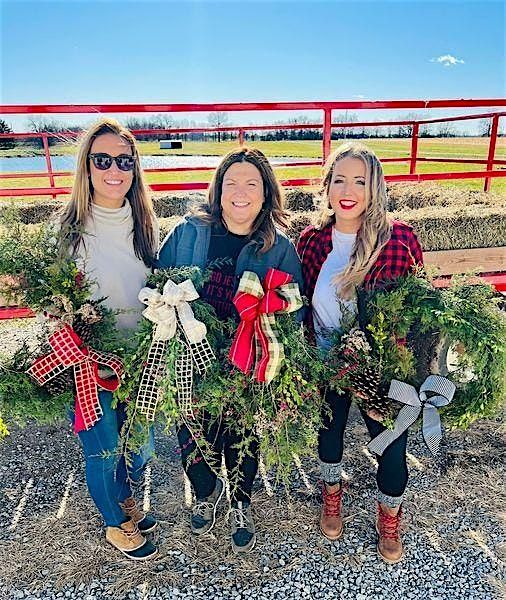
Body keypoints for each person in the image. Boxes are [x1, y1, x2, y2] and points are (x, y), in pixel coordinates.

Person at [157, 147, 303, 554]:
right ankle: (204, 492)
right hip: (190, 358)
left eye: (251, 183)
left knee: (242, 435)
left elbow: (292, 305)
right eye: (231, 182)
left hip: (247, 363)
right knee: (193, 435)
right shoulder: (190, 232)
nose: (241, 192)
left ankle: (240, 501)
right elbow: (158, 281)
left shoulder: (279, 247)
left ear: (265, 193)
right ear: (218, 190)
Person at [297, 142, 423, 564]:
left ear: (375, 187)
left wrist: (405, 365)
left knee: (388, 441)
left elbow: (416, 308)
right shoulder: (312, 240)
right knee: (328, 434)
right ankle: (332, 492)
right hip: (326, 357)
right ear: (327, 186)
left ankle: (389, 515)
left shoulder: (398, 237)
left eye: (359, 181)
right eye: (339, 179)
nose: (347, 189)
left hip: (380, 363)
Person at [59, 118, 159, 560]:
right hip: (91, 362)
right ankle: (114, 523)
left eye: (124, 160)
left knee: (139, 446)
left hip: (141, 358)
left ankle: (124, 497)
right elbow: (52, 305)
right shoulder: (67, 231)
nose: (114, 170)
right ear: (86, 167)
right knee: (102, 448)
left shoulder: (144, 226)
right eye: (103, 160)